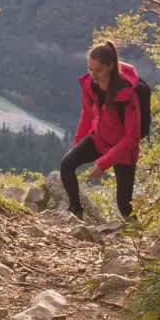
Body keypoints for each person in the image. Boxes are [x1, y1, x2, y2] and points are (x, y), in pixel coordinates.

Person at [60, 40, 140, 220]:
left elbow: (132, 137)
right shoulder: (90, 85)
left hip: (123, 151)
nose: (93, 75)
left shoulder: (127, 94)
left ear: (111, 66)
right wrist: (77, 145)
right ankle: (76, 212)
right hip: (98, 139)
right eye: (90, 69)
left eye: (98, 70)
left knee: (124, 205)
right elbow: (87, 115)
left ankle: (138, 236)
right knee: (67, 164)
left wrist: (103, 163)